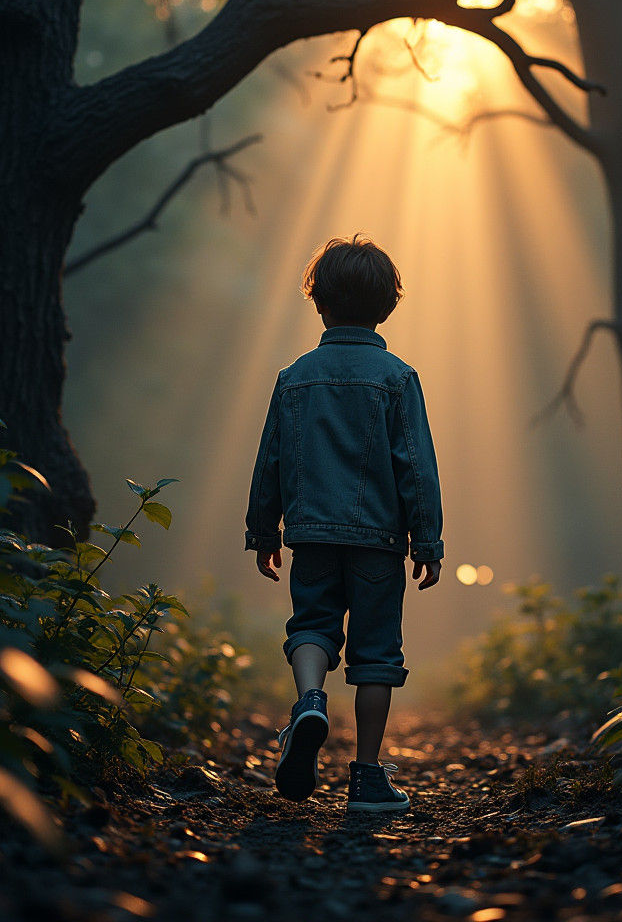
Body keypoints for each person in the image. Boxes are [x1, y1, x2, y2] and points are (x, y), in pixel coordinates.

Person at [245, 234, 444, 813]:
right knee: (376, 652)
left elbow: (271, 460)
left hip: (309, 533)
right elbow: (416, 466)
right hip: (379, 541)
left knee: (311, 625)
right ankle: (366, 777)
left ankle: (309, 700)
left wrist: (264, 531)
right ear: (387, 306)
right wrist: (426, 538)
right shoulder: (398, 378)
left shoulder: (294, 378)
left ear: (319, 302)